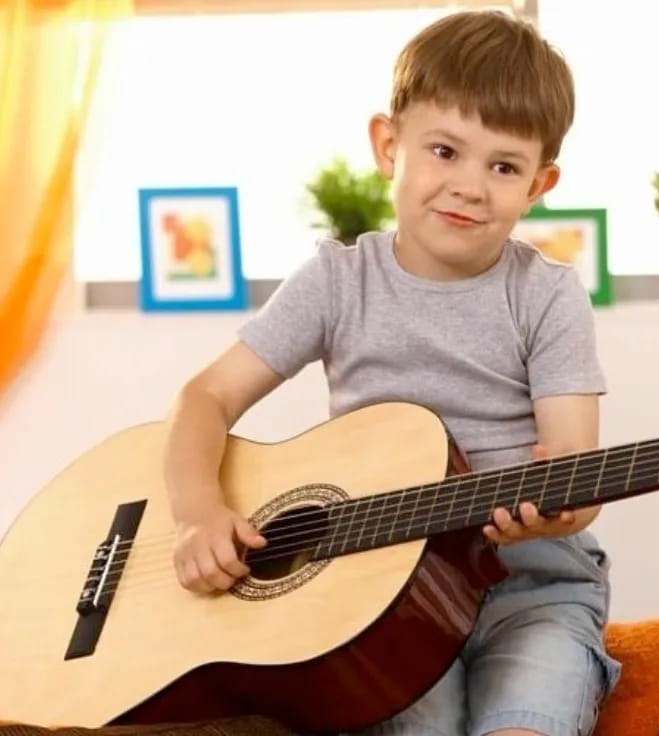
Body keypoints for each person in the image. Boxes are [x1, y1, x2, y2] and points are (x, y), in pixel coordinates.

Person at [164, 10, 620, 736]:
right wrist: (197, 514)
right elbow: (206, 397)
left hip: (531, 589)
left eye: (502, 167)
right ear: (388, 145)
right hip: (375, 599)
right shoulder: (337, 281)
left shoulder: (548, 294)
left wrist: (564, 506)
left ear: (539, 183)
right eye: (445, 150)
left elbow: (573, 460)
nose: (469, 186)